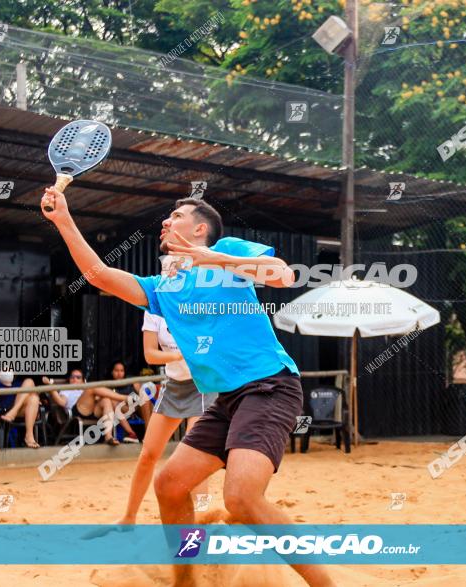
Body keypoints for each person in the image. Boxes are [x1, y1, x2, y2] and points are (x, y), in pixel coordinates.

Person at [41, 188, 333, 587]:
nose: (166, 220)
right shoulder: (164, 289)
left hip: (269, 386)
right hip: (226, 399)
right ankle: (186, 582)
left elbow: (283, 275)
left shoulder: (227, 249)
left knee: (242, 498)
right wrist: (63, 220)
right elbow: (99, 275)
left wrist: (213, 258)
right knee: (169, 484)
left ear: (199, 229)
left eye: (176, 215)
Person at [114, 309, 218, 525]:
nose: (173, 273)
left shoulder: (199, 300)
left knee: (196, 458)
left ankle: (203, 516)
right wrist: (179, 355)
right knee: (148, 455)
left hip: (203, 385)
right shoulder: (154, 306)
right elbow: (150, 354)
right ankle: (128, 518)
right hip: (174, 387)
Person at [46, 368, 130, 446]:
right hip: (77, 411)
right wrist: (50, 386)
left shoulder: (84, 390)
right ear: (69, 380)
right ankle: (124, 397)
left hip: (92, 410)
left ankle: (108, 437)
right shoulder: (66, 390)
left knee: (106, 400)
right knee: (92, 387)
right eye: (72, 377)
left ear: (83, 381)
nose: (75, 379)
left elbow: (98, 398)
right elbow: (61, 402)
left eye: (78, 377)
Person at [0, 370, 42, 448]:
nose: (7, 370)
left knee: (32, 391)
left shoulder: (19, 383)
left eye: (10, 368)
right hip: (5, 411)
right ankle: (29, 437)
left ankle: (15, 411)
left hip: (20, 411)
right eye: (4, 368)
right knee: (34, 398)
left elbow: (35, 394)